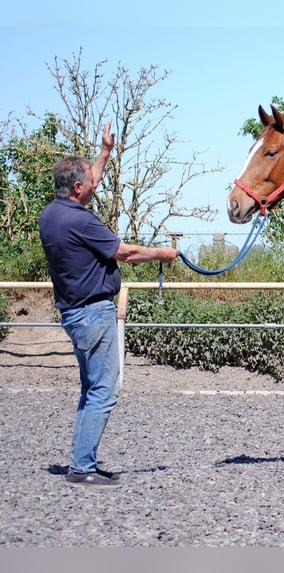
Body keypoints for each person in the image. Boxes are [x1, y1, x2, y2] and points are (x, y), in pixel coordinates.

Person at [39, 120, 178, 488]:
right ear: (78, 188)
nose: (96, 184)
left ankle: (81, 461)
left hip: (73, 312)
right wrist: (162, 254)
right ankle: (82, 467)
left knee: (91, 388)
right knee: (105, 390)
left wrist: (104, 152)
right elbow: (125, 252)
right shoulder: (81, 221)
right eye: (90, 181)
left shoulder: (51, 215)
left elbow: (91, 181)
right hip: (94, 312)